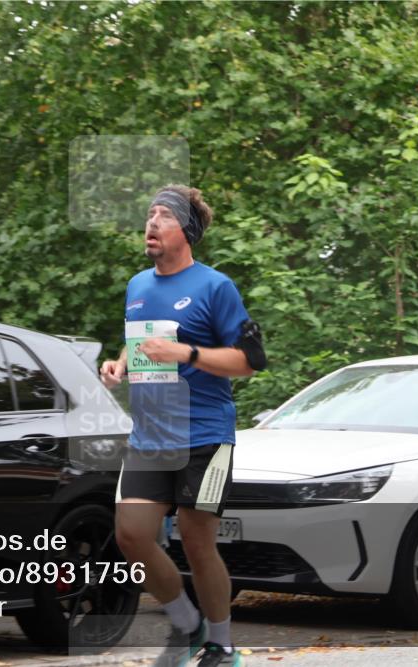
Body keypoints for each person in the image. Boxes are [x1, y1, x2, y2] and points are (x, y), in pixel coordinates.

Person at [101, 185, 266, 667]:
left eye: (164, 216)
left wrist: (187, 353)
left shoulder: (215, 287)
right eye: (149, 214)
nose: (151, 223)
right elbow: (142, 342)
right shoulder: (137, 286)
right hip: (149, 438)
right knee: (131, 534)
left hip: (205, 437)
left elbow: (249, 361)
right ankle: (187, 624)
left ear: (186, 231)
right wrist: (120, 364)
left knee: (197, 543)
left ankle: (222, 645)